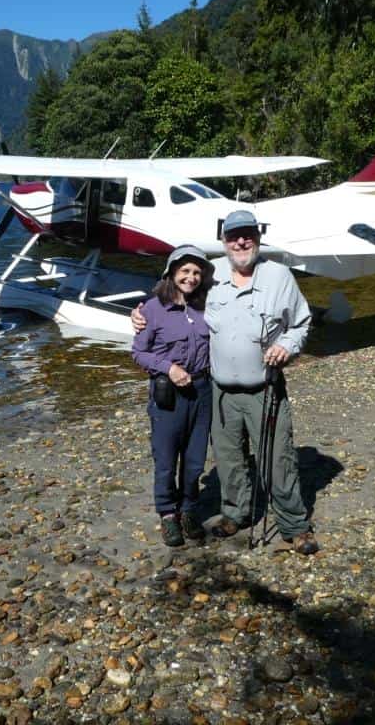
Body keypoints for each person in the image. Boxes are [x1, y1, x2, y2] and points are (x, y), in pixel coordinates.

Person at [133, 210, 319, 554]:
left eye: (248, 235)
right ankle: (236, 512)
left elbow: (301, 324)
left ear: (258, 238)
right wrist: (140, 312)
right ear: (224, 241)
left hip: (265, 388)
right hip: (218, 391)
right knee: (228, 458)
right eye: (234, 236)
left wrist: (287, 346)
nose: (241, 242)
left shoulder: (279, 276)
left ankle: (294, 524)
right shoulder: (211, 273)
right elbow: (174, 295)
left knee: (277, 459)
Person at [132, 245, 214, 547]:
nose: (191, 278)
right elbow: (138, 353)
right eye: (185, 271)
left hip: (202, 391)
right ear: (171, 273)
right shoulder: (152, 310)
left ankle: (189, 509)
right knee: (166, 459)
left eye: (197, 273)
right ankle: (168, 514)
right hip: (168, 394)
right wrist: (169, 368)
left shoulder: (207, 306)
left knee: (195, 460)